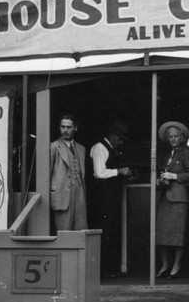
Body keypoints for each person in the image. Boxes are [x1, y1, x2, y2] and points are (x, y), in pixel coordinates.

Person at [90, 118, 132, 278]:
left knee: (110, 230)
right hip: (102, 199)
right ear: (113, 136)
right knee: (104, 231)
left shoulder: (111, 149)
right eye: (120, 139)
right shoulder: (100, 148)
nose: (121, 142)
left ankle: (109, 268)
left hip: (110, 198)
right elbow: (99, 173)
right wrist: (119, 171)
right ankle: (103, 270)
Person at [156, 121, 189, 279]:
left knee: (177, 235)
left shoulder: (186, 153)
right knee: (160, 234)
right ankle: (166, 263)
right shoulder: (164, 155)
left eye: (176, 136)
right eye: (170, 136)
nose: (173, 139)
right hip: (164, 197)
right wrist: (160, 181)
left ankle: (177, 265)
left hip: (179, 198)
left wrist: (175, 176)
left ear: (182, 138)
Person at [50, 113, 88, 233]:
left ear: (75, 128)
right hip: (62, 195)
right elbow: (46, 174)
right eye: (62, 127)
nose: (65, 130)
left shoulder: (81, 149)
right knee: (64, 234)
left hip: (79, 193)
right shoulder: (53, 147)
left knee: (80, 231)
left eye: (69, 127)